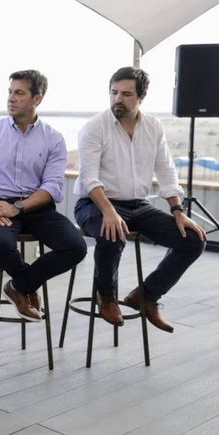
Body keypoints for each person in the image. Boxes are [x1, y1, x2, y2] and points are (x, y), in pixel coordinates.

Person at [74, 66, 206, 333]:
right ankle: (107, 297)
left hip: (138, 205)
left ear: (141, 97)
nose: (117, 99)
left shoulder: (153, 126)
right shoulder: (94, 127)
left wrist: (178, 210)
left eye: (126, 94)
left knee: (193, 240)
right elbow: (89, 178)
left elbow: (166, 170)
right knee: (112, 232)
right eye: (113, 93)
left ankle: (146, 295)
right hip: (94, 203)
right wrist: (109, 211)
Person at [0, 69, 87, 322]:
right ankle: (25, 285)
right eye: (10, 92)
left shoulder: (53, 139)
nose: (11, 98)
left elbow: (52, 187)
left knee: (76, 247)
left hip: (37, 206)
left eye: (19, 93)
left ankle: (19, 286)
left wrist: (18, 207)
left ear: (36, 99)